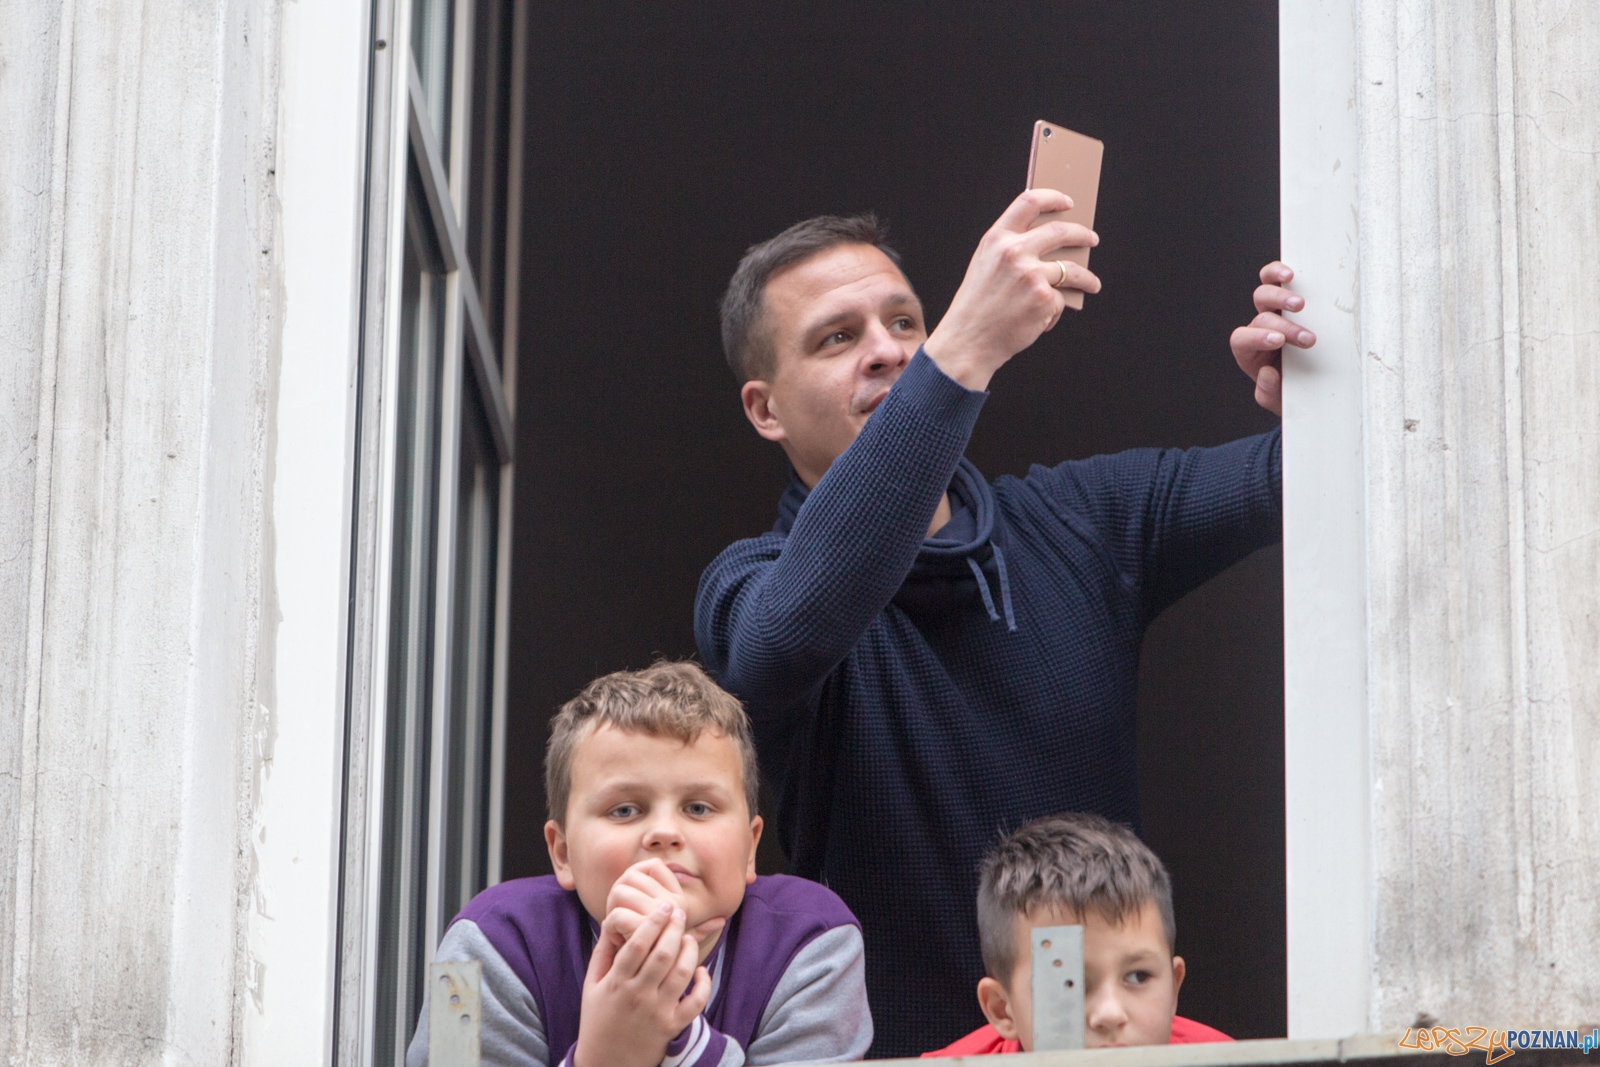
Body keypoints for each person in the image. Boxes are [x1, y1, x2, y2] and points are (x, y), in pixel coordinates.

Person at [694, 192, 1313, 1055]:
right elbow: (790, 632)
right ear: (766, 410)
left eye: (905, 323)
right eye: (836, 338)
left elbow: (1312, 475)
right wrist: (960, 353)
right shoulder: (746, 584)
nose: (889, 350)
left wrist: (1312, 397)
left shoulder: (1083, 522)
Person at [406, 661, 873, 1067]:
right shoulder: (480, 944)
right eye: (624, 810)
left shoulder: (818, 943)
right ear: (563, 853)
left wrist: (677, 1034)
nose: (664, 832)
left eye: (698, 808)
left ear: (750, 848)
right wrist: (605, 1057)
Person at [923, 812, 1230, 1055]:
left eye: (1138, 976)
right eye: (1067, 982)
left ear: (1174, 988)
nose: (1109, 1014)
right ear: (1003, 1009)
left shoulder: (1227, 1060)